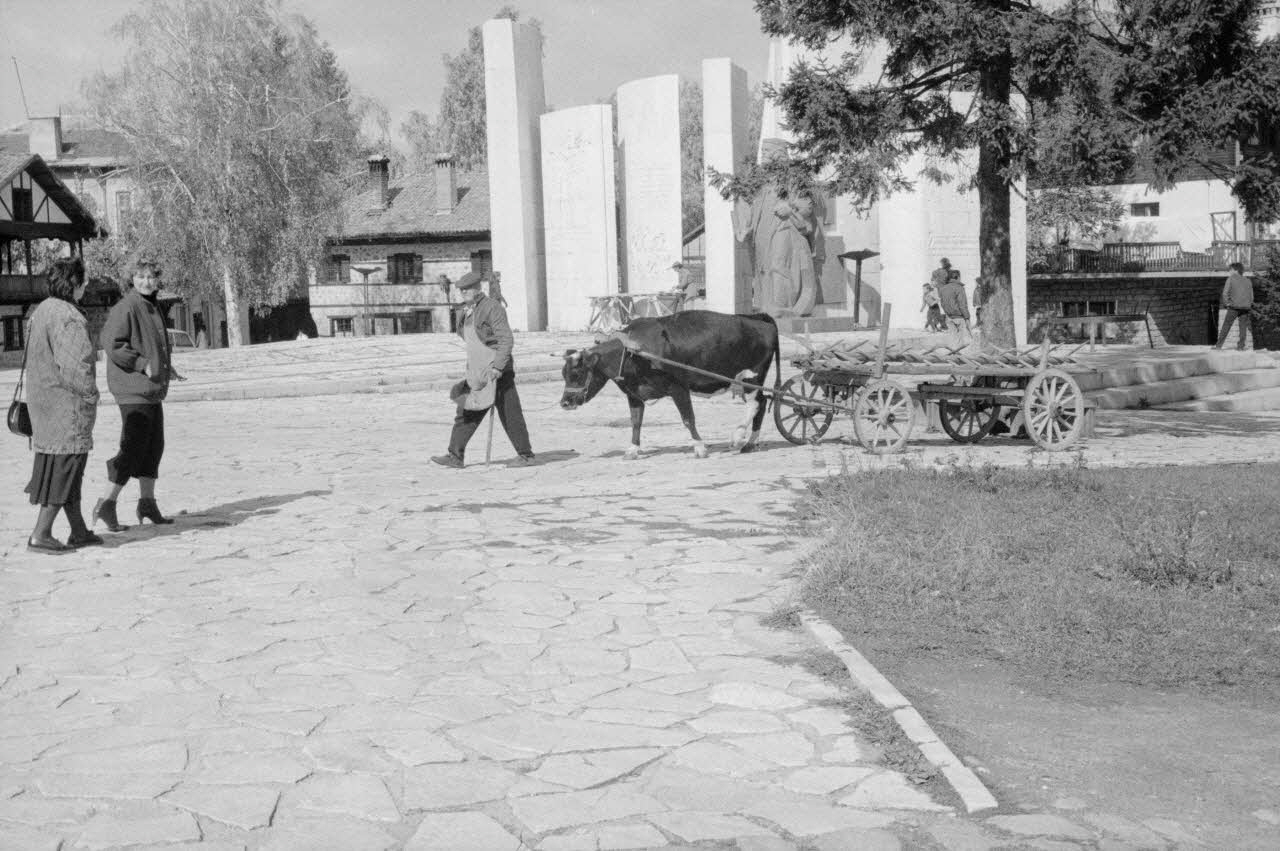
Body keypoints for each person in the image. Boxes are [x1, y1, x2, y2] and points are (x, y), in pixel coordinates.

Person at [93, 259, 183, 530]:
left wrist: (165, 368)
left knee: (154, 447)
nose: (146, 281)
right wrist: (142, 363)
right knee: (133, 447)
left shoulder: (151, 305)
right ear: (131, 278)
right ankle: (106, 503)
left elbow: (150, 345)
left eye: (151, 276)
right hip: (132, 389)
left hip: (150, 389)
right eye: (140, 276)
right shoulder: (127, 306)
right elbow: (111, 343)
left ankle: (147, 503)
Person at [21, 258, 101, 553]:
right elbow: (76, 367)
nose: (86, 284)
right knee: (67, 468)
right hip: (66, 406)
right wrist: (91, 395)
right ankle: (41, 533)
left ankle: (78, 530)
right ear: (73, 282)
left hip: (43, 402)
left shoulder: (41, 310)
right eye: (83, 279)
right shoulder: (68, 316)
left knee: (63, 467)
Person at [431, 271, 534, 468]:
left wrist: (497, 367)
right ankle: (455, 456)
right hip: (477, 372)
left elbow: (506, 339)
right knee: (466, 412)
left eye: (467, 290)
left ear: (477, 288)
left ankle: (526, 455)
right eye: (461, 290)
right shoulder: (466, 311)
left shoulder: (492, 308)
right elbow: (468, 337)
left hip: (497, 373)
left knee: (510, 414)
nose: (463, 293)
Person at [1214, 262, 1254, 350]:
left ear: (1235, 270)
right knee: (1243, 327)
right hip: (1246, 307)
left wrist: (1227, 303)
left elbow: (1225, 293)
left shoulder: (1231, 279)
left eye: (1230, 269)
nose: (1229, 271)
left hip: (1234, 307)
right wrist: (1248, 304)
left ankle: (1218, 346)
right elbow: (1251, 296)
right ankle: (1241, 347)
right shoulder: (1248, 281)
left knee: (1226, 325)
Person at [938, 269, 973, 347]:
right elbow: (962, 305)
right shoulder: (959, 288)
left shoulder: (942, 289)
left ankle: (954, 352)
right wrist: (967, 317)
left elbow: (942, 303)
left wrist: (947, 313)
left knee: (953, 340)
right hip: (959, 317)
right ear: (958, 277)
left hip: (949, 317)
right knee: (963, 341)